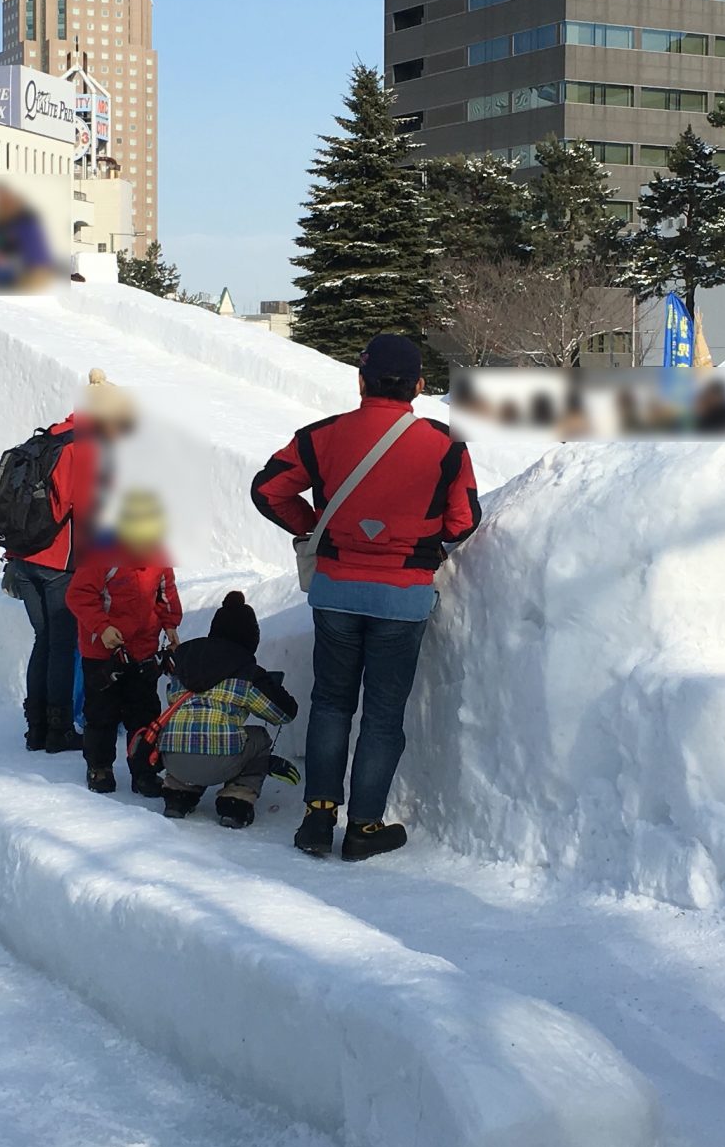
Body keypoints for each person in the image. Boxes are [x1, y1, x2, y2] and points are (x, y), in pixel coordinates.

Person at [250, 333, 480, 860]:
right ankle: (365, 827)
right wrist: (422, 544)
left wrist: (316, 529)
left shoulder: (322, 436)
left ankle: (317, 817)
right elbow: (464, 520)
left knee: (331, 703)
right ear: (419, 387)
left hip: (336, 592)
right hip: (402, 596)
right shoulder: (445, 445)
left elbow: (269, 489)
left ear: (360, 380)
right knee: (382, 713)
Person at [0, 370, 135, 752]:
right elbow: (89, 511)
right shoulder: (88, 448)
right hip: (58, 561)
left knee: (42, 641)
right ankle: (58, 730)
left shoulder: (50, 437)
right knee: (61, 644)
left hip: (23, 557)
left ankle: (36, 727)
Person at [146, 591, 302, 827]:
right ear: (250, 638)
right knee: (258, 737)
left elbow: (173, 699)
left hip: (173, 758)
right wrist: (268, 686)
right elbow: (283, 714)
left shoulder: (184, 661)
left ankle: (178, 795)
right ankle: (236, 802)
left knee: (188, 729)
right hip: (219, 761)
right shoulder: (246, 671)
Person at [65, 486, 181, 795]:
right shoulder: (102, 554)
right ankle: (99, 766)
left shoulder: (158, 557)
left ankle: (144, 770)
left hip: (143, 649)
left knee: (143, 713)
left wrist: (170, 626)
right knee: (101, 713)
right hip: (102, 651)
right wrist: (102, 628)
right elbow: (78, 596)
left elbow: (165, 594)